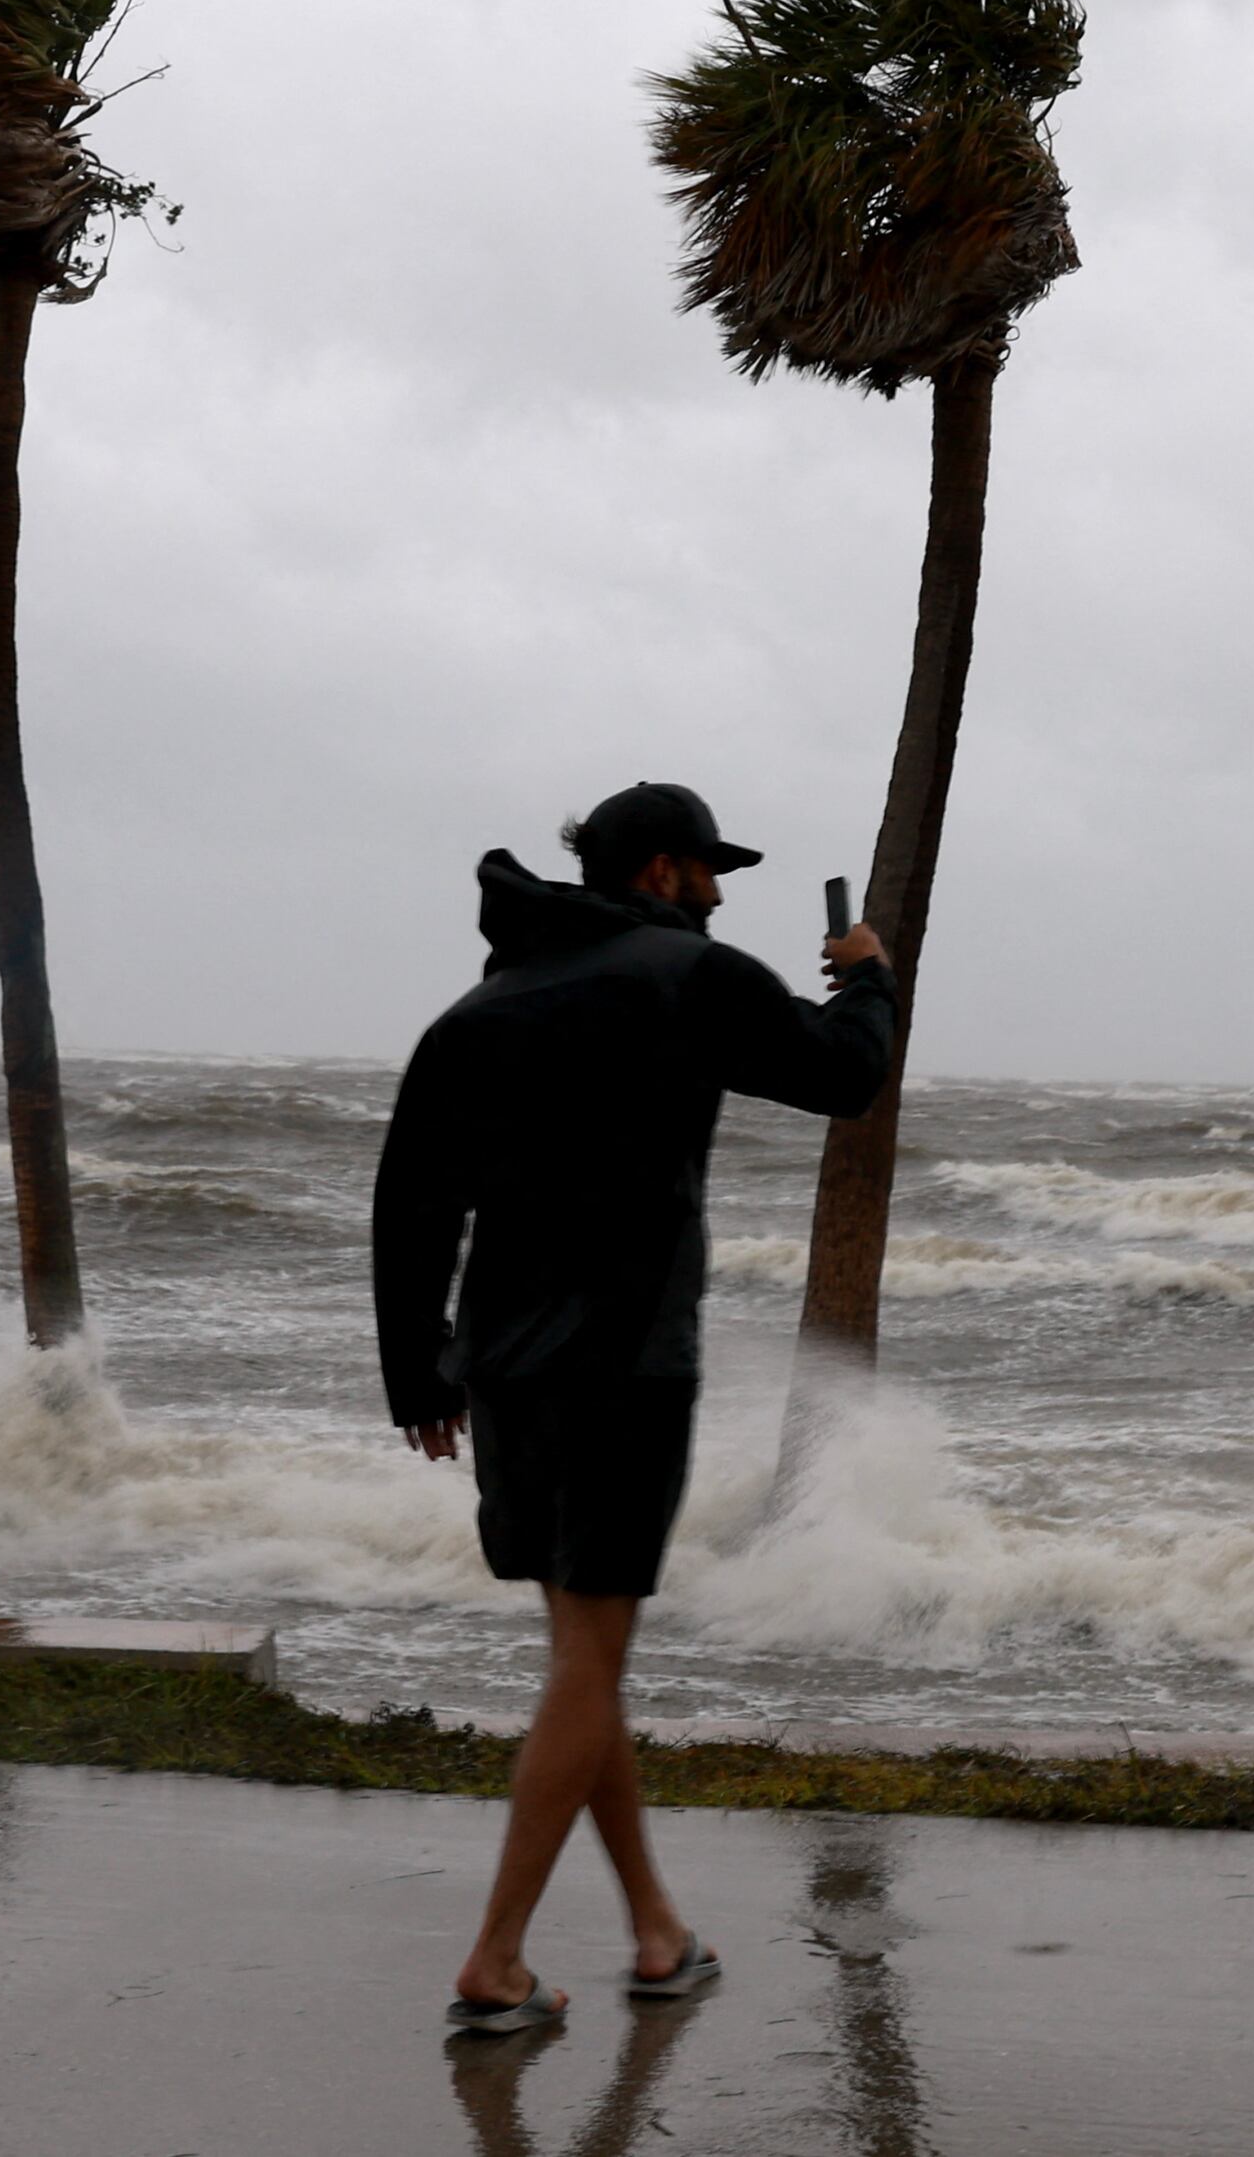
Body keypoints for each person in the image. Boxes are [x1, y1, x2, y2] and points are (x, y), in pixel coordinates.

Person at [372, 779, 896, 2035]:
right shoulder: (683, 977)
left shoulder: (478, 1009)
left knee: (582, 1666)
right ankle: (493, 1961)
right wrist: (866, 977)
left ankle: (657, 1932)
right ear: (661, 872)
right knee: (587, 1668)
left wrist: (415, 1370)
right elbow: (843, 1078)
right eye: (709, 870)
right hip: (623, 1370)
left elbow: (412, 1202)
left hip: (498, 1370)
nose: (719, 893)